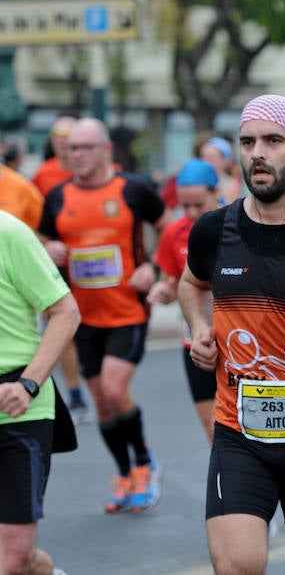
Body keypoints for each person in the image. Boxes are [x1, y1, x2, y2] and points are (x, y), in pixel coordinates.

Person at [177, 94, 285, 574]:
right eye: (248, 141)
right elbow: (191, 283)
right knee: (237, 565)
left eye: (273, 141)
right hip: (239, 431)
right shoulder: (213, 230)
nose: (258, 152)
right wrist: (199, 326)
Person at [37, 117, 170, 514]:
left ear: (105, 150)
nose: (76, 154)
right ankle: (126, 473)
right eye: (71, 148)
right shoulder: (58, 197)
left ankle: (146, 463)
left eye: (84, 147)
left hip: (128, 310)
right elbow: (43, 238)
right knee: (101, 402)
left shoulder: (133, 189)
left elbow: (170, 229)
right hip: (82, 316)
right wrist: (48, 249)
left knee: (114, 389)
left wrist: (156, 270)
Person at [0, 210, 80, 575]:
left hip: (19, 405)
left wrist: (29, 384)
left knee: (14, 559)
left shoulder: (9, 233)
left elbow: (65, 312)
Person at [147, 159, 221, 443]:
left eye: (198, 205)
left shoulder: (240, 225)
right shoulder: (173, 233)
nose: (190, 213)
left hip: (240, 341)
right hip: (196, 342)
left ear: (216, 193)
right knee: (213, 429)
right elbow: (171, 283)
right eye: (184, 206)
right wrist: (164, 293)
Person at [28, 114, 89, 424]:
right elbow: (37, 226)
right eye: (60, 142)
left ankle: (91, 381)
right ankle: (74, 393)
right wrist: (45, 246)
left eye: (71, 142)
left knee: (89, 329)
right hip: (58, 264)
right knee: (61, 327)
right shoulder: (43, 175)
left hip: (94, 268)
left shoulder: (103, 174)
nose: (66, 148)